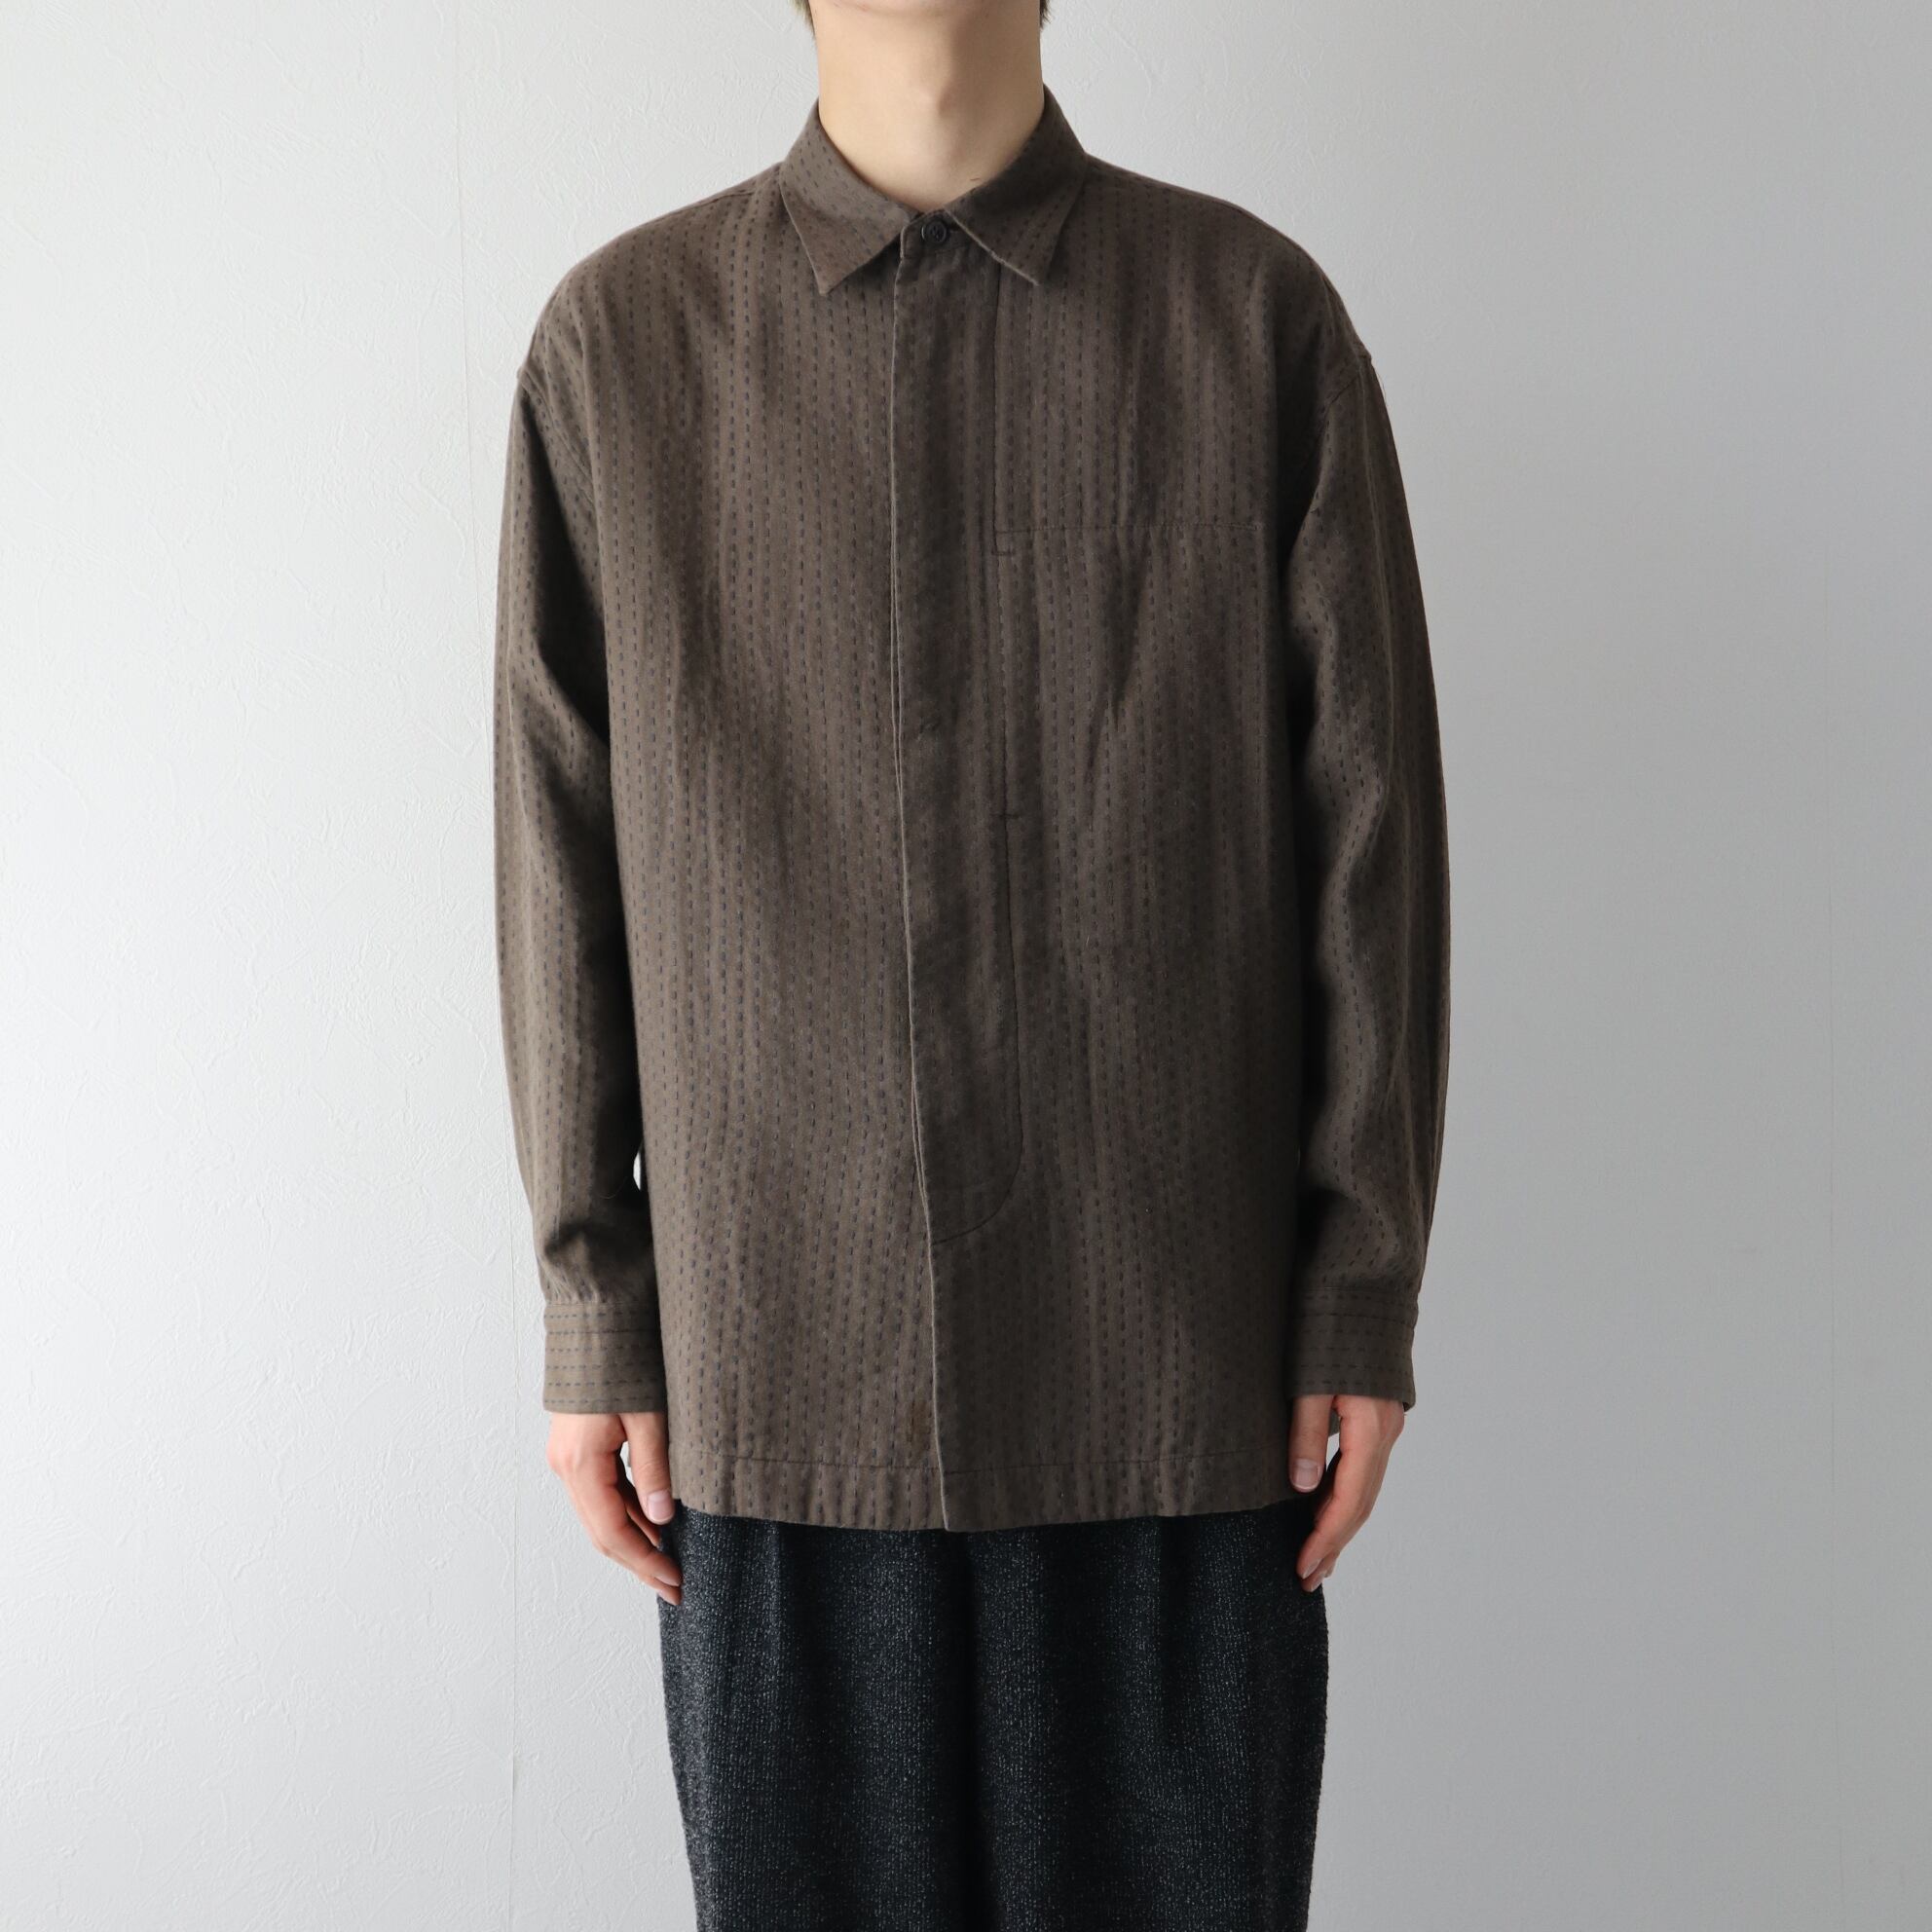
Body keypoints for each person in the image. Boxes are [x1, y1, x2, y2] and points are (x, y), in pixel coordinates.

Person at [491, 1, 1450, 1924]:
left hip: (1174, 1380)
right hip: (778, 1388)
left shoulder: (1250, 321)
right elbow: (557, 858)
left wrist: (1356, 1290)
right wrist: (597, 1307)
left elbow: (1373, 846)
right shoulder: (621, 349)